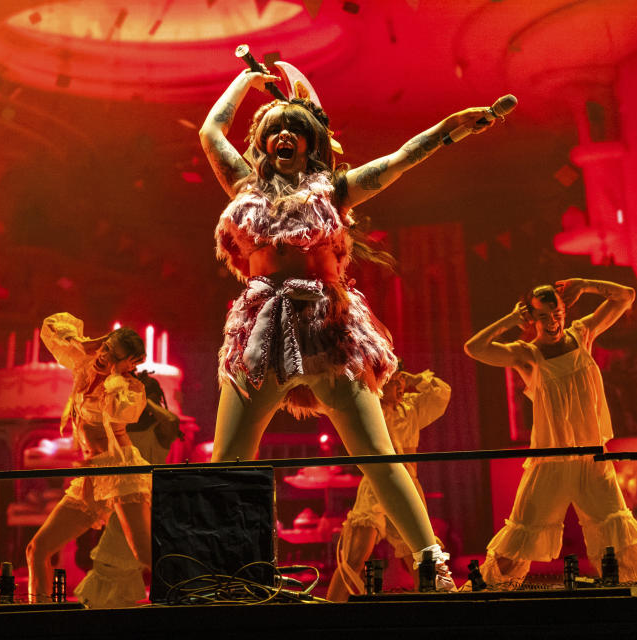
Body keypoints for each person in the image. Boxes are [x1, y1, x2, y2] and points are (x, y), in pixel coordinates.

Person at [199, 66, 501, 588]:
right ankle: (226, 568)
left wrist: (449, 128)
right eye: (274, 128)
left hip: (326, 327)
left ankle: (432, 562)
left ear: (311, 141)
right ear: (264, 143)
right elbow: (209, 133)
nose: (284, 134)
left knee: (379, 458)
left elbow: (399, 161)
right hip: (259, 330)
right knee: (227, 460)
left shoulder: (334, 190)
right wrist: (247, 83)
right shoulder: (243, 185)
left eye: (295, 127)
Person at [464, 279, 637, 586]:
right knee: (519, 541)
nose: (552, 321)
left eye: (556, 313)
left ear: (564, 309)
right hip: (550, 463)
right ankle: (488, 595)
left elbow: (626, 296)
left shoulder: (583, 334)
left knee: (620, 538)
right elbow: (473, 348)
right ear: (532, 317)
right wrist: (511, 320)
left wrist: (585, 284)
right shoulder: (528, 355)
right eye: (543, 316)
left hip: (592, 459)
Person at [26, 313, 148, 602]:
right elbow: (52, 328)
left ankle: (189, 604)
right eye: (106, 348)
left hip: (120, 472)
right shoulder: (85, 365)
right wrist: (91, 344)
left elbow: (122, 414)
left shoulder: (129, 389)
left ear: (130, 364)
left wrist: (118, 375)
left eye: (113, 355)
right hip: (91, 476)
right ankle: (35, 619)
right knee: (37, 548)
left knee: (143, 553)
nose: (104, 356)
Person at [326, 367, 451, 601]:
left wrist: (416, 378)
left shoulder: (411, 408)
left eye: (402, 380)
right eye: (394, 381)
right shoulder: (372, 408)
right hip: (375, 487)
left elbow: (441, 394)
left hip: (408, 487)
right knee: (355, 558)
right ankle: (327, 612)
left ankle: (434, 612)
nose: (400, 385)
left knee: (422, 556)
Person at [74, 371, 182, 608]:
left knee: (134, 558)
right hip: (127, 495)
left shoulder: (160, 430)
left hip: (150, 497)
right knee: (116, 560)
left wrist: (148, 399)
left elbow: (172, 421)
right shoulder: (123, 429)